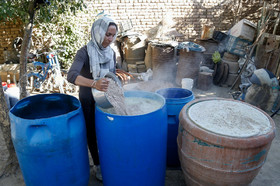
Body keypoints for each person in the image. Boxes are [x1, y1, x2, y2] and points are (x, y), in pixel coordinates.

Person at [67, 16, 118, 181]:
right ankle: (97, 165)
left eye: (112, 35)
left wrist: (118, 78)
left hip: (106, 98)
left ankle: (108, 159)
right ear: (98, 32)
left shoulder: (111, 53)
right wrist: (94, 83)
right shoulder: (84, 52)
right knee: (91, 132)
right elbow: (71, 76)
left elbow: (112, 74)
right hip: (88, 99)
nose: (109, 39)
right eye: (107, 34)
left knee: (108, 129)